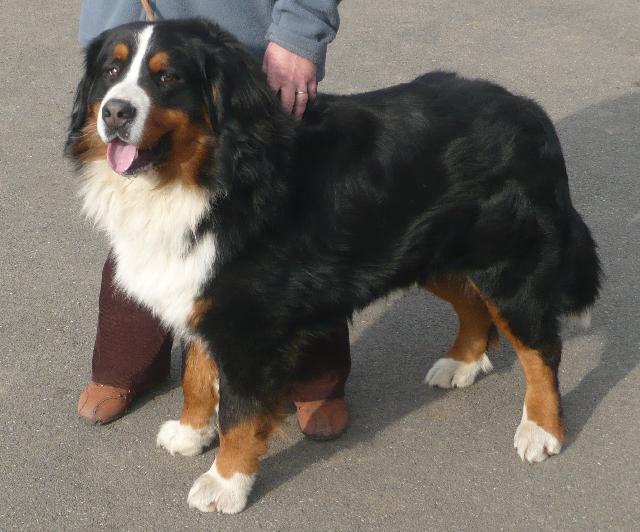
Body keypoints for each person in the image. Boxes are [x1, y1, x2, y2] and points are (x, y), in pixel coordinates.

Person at [76, 0, 350, 440]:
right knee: (144, 215)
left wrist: (301, 31)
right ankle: (135, 361)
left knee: (281, 211)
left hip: (241, 35)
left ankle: (313, 373)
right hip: (124, 20)